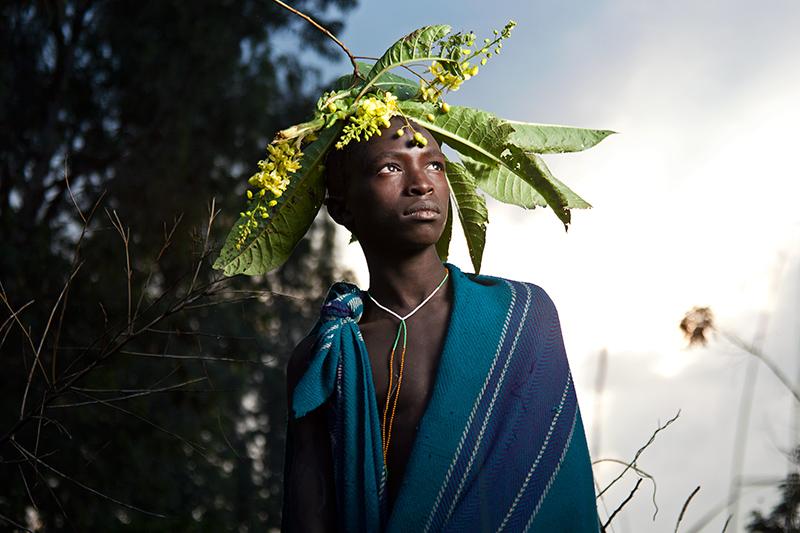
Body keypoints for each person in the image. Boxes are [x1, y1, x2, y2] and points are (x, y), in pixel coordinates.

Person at [282, 116, 599, 532]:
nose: (422, 183)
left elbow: (563, 497)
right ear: (342, 208)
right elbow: (309, 517)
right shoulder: (326, 357)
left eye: (434, 165)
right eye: (390, 168)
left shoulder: (522, 316)